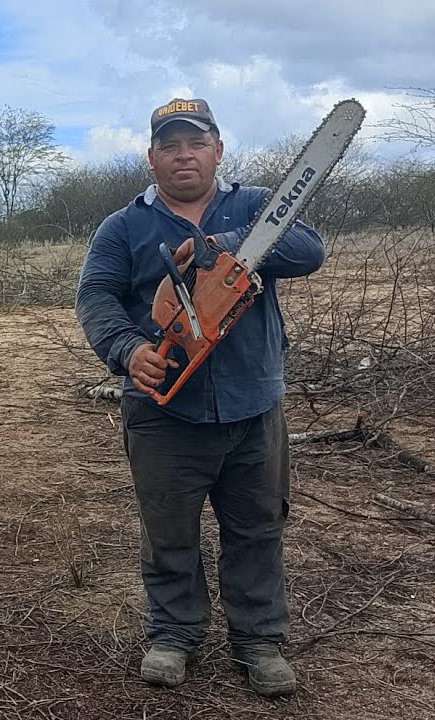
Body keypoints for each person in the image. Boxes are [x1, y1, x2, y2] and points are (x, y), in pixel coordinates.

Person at [75, 98, 326, 696]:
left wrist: (227, 244)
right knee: (169, 530)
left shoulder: (258, 207)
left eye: (196, 143)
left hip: (252, 404)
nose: (183, 155)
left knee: (257, 527)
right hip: (165, 410)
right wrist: (128, 349)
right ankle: (173, 633)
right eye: (170, 145)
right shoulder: (123, 226)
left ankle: (259, 640)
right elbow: (96, 297)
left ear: (218, 150)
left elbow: (310, 250)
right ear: (152, 157)